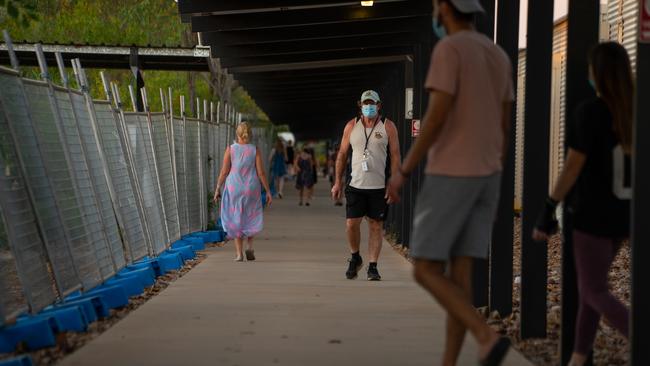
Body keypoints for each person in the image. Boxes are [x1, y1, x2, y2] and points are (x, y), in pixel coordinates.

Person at [386, 0, 513, 364]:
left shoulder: (450, 49)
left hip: (451, 174)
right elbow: (504, 125)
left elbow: (437, 116)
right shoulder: (498, 56)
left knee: (425, 269)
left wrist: (404, 170)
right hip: (487, 175)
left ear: (443, 7)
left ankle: (485, 336)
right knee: (461, 277)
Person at [532, 42, 633, 366]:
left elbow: (573, 166)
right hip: (622, 217)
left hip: (590, 216)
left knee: (591, 291)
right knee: (592, 291)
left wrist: (549, 207)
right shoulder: (632, 113)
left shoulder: (590, 112)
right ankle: (577, 359)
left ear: (598, 73)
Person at [331, 90, 401, 281]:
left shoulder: (388, 126)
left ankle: (373, 266)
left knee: (376, 226)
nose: (369, 107)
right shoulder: (351, 126)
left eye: (372, 103)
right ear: (360, 105)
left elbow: (395, 156)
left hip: (378, 186)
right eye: (365, 103)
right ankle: (355, 257)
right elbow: (342, 155)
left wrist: (394, 181)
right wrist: (337, 181)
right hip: (356, 184)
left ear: (379, 105)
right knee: (351, 224)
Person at [214, 122, 273, 262]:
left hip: (234, 187)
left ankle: (239, 254)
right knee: (250, 216)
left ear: (237, 134)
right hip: (251, 188)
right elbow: (261, 173)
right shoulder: (255, 150)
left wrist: (217, 188)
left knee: (237, 218)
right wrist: (268, 191)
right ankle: (250, 246)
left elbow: (224, 172)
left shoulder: (231, 149)